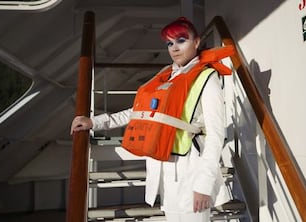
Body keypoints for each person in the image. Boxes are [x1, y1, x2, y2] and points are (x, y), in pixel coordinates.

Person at [71, 17, 234, 222]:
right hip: (165, 169)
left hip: (192, 169)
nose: (174, 48)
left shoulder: (207, 79)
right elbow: (139, 112)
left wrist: (204, 185)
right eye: (169, 43)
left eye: (181, 40)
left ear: (197, 42)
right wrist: (96, 122)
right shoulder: (167, 76)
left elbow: (216, 136)